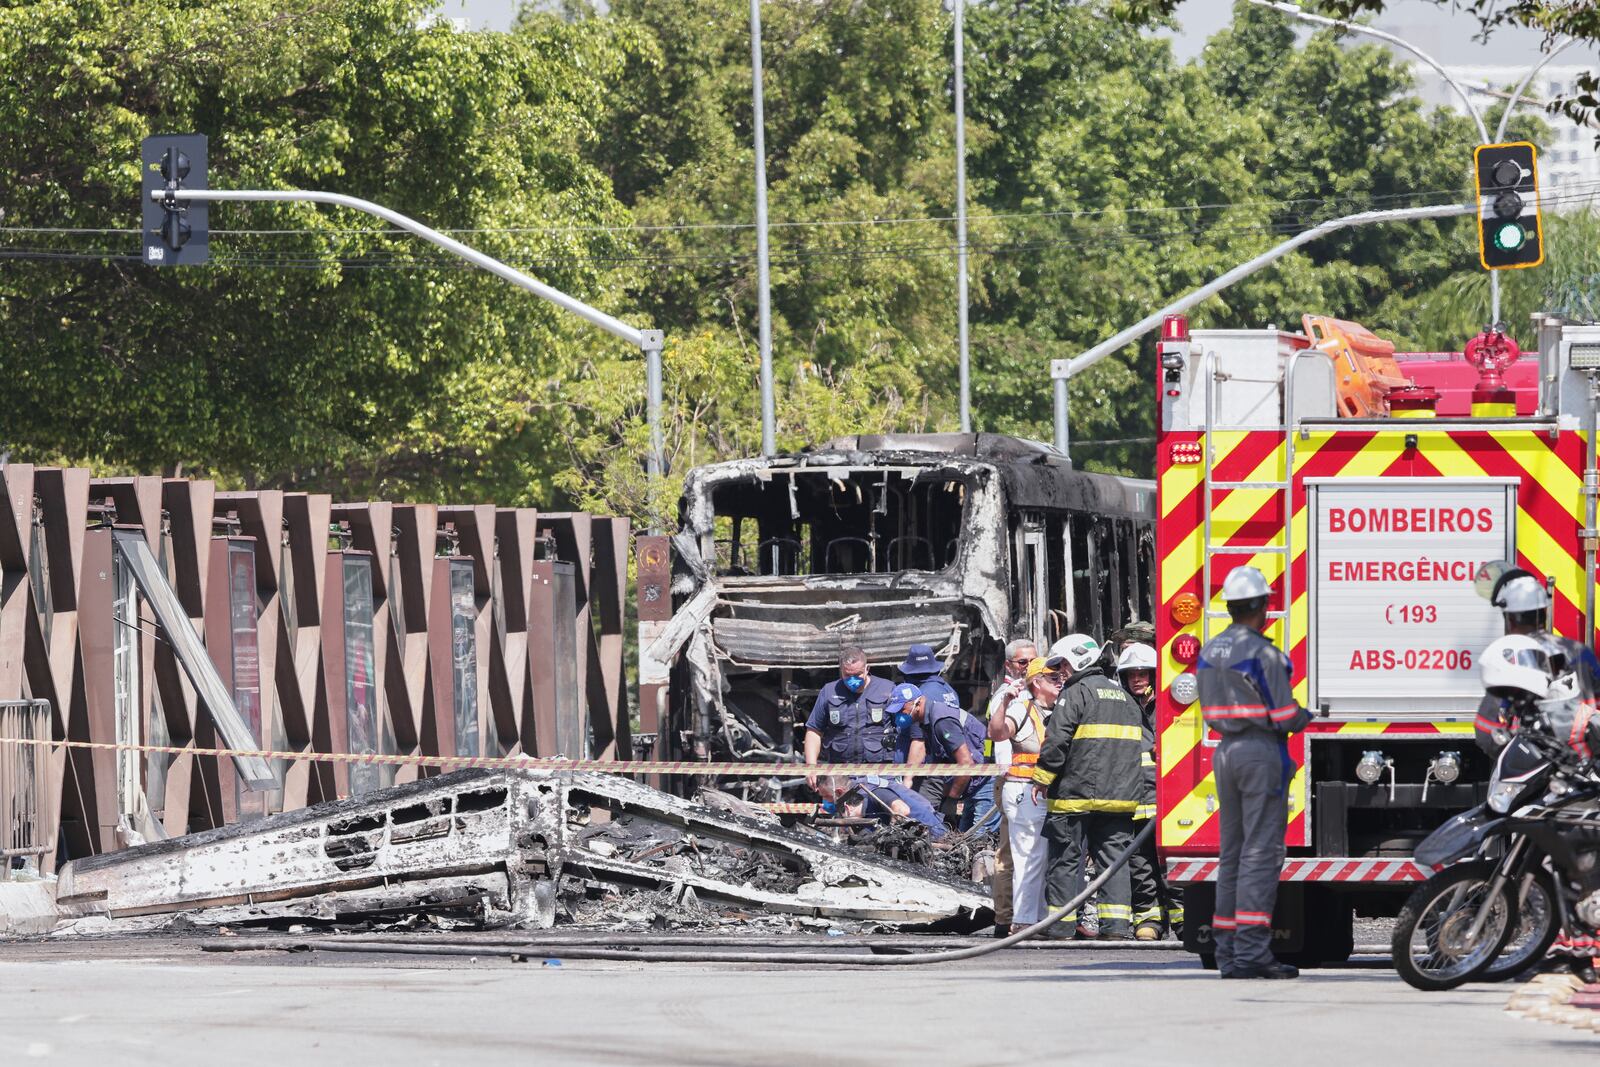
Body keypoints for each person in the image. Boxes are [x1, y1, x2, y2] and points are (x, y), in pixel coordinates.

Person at [1196, 566, 1312, 980]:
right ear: (1263, 606)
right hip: (1260, 752)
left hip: (1225, 752)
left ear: (1229, 607)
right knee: (1261, 856)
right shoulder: (1263, 653)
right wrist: (1307, 715)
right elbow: (1283, 715)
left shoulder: (1210, 650)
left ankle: (1228, 955)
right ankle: (1251, 954)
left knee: (1232, 856)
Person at [1032, 632, 1144, 940]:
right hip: (1120, 799)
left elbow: (1057, 742)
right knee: (1114, 863)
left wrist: (1042, 779)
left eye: (1063, 665)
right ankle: (1117, 927)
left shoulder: (1075, 693)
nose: (1061, 673)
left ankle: (1060, 926)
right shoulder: (1124, 697)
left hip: (1075, 798)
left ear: (1079, 660)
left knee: (1066, 860)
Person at [1474, 564, 1600, 755]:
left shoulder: (1510, 658)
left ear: (1510, 619)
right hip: (1581, 767)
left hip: (1528, 767)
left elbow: (1486, 730)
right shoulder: (1579, 651)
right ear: (1544, 613)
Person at [1118, 642, 1182, 941]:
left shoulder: (1172, 705)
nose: (1137, 679)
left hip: (1171, 802)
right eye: (1131, 674)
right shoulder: (1120, 708)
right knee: (1140, 865)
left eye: (1143, 673)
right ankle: (1149, 921)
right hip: (1135, 800)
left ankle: (1184, 921)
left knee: (1172, 866)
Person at [992, 655, 1059, 933]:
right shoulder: (1021, 708)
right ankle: (1023, 920)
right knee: (1028, 857)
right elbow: (997, 733)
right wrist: (1005, 703)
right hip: (1024, 791)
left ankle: (1040, 917)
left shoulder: (1062, 708)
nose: (1060, 681)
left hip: (1047, 793)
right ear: (1036, 682)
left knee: (1044, 858)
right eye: (1052, 677)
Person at [986, 638, 1038, 935]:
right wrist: (1012, 786)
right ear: (1009, 665)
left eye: (1033, 661)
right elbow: (1004, 749)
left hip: (1034, 786)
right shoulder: (1007, 698)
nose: (1029, 666)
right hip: (1015, 784)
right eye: (1023, 662)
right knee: (1009, 855)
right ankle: (1004, 920)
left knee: (1030, 855)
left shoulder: (1035, 694)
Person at [894, 676, 989, 829]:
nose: (898, 716)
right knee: (962, 837)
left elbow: (966, 763)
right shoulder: (926, 721)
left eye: (901, 710)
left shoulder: (941, 720)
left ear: (917, 704)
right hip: (972, 781)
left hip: (986, 780)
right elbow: (943, 766)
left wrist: (951, 800)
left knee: (979, 838)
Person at [804, 646, 897, 789]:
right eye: (847, 675)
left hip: (879, 772)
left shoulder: (887, 689)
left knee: (879, 810)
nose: (853, 680)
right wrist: (811, 767)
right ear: (841, 671)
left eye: (858, 674)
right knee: (842, 811)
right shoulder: (829, 691)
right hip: (840, 773)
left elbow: (905, 731)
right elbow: (814, 731)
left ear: (867, 668)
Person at [815, 775, 947, 840]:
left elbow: (901, 810)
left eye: (827, 797)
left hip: (934, 835)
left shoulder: (870, 791)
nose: (826, 802)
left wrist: (886, 837)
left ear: (838, 792)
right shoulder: (857, 794)